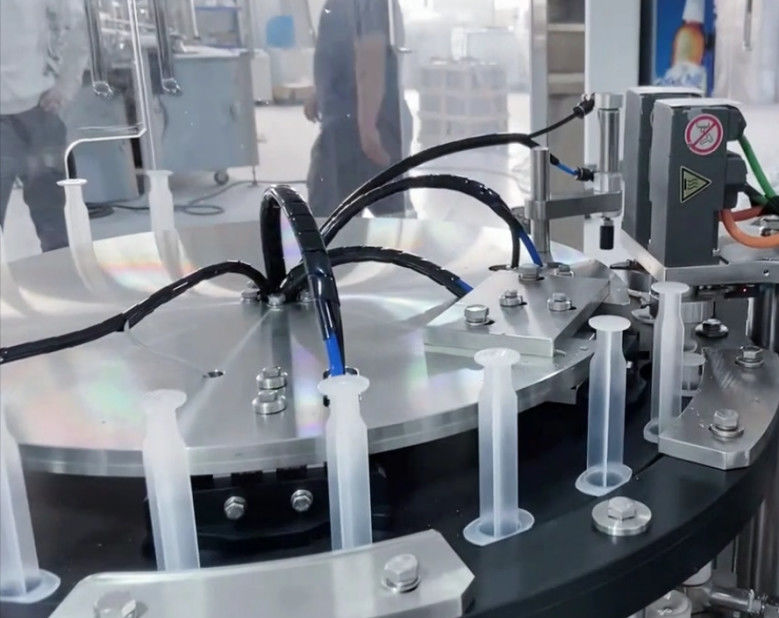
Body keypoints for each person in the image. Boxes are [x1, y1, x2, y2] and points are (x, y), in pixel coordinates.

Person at [305, 0, 411, 218]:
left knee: (330, 213)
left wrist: (367, 127)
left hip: (361, 124)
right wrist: (321, 90)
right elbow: (342, 49)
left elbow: (371, 54)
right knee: (378, 204)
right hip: (349, 120)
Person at [0, 0, 87, 252]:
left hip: (39, 111)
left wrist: (64, 87)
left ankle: (60, 270)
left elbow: (76, 27)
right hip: (34, 112)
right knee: (52, 221)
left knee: (52, 222)